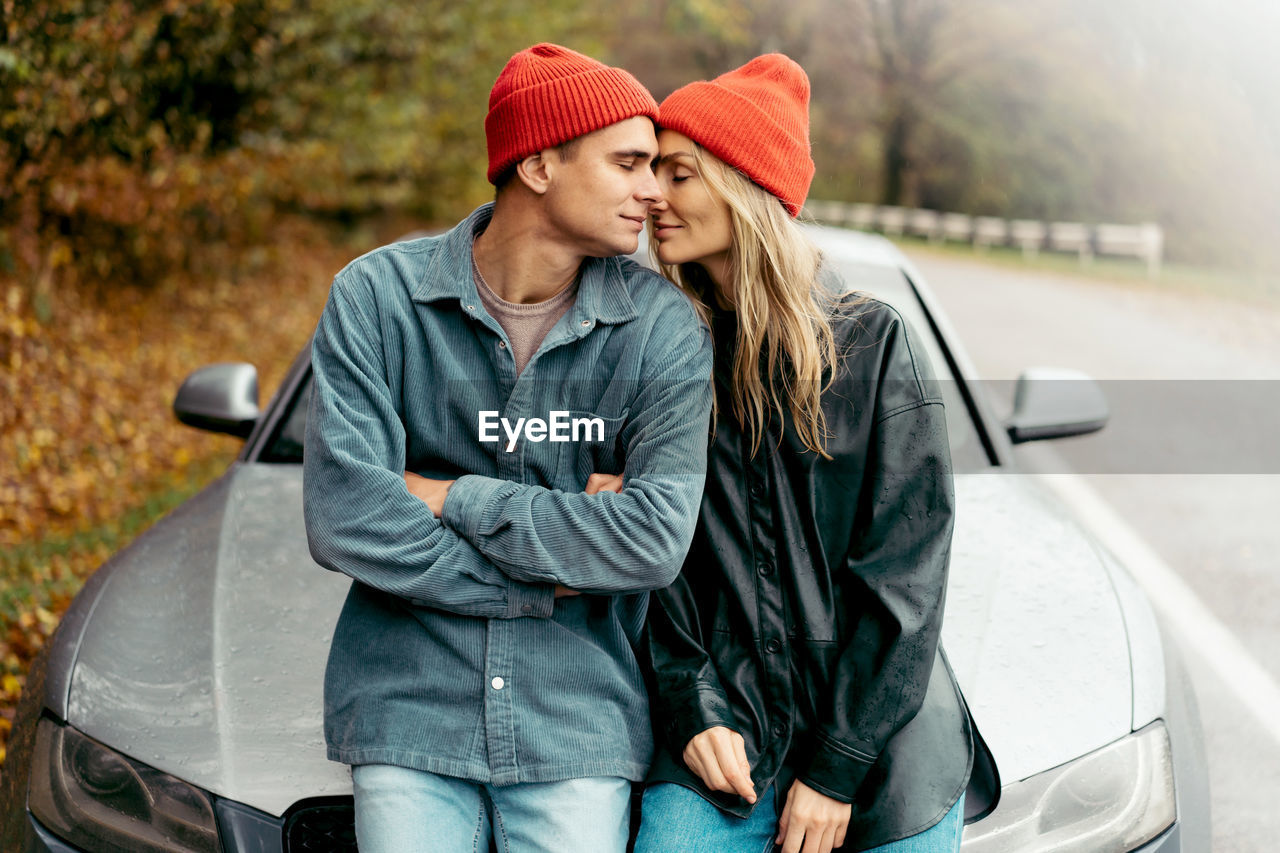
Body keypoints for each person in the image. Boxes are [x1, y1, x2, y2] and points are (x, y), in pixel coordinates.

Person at [302, 43, 713, 853]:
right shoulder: (378, 298)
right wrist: (553, 574)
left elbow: (653, 539)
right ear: (537, 165)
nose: (651, 190)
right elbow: (349, 515)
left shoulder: (663, 330)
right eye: (628, 162)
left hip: (578, 717)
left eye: (656, 166)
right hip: (407, 706)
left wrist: (452, 496)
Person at [626, 55, 974, 853]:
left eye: (679, 174)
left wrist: (837, 766)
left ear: (744, 187)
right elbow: (660, 564)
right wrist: (690, 704)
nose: (653, 197)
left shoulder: (877, 345)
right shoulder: (662, 351)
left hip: (883, 753)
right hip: (725, 743)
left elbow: (906, 578)